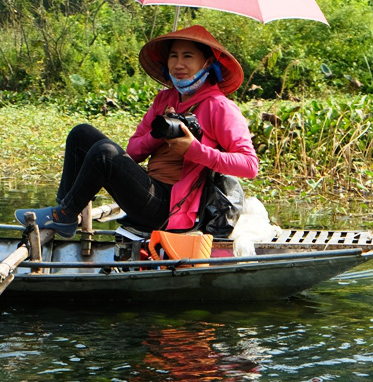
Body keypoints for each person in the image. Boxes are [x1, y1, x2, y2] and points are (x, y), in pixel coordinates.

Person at [15, 25, 258, 238]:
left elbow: (249, 165)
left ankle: (64, 214)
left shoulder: (220, 107)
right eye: (173, 56)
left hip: (172, 207)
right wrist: (158, 133)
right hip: (150, 188)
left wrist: (194, 149)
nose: (178, 64)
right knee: (82, 134)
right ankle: (65, 210)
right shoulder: (165, 99)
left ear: (207, 63)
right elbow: (134, 151)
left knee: (105, 153)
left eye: (188, 56)